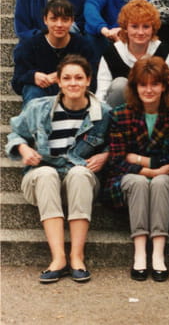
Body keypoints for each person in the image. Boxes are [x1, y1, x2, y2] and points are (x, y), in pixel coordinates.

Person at [6, 55, 111, 284]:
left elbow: (118, 143)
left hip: (80, 183)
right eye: (67, 78)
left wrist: (106, 155)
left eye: (79, 78)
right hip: (42, 181)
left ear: (88, 80)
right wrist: (23, 148)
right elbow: (15, 134)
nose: (73, 83)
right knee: (46, 173)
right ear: (59, 82)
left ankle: (77, 256)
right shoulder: (38, 107)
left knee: (79, 173)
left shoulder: (103, 113)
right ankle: (58, 258)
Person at [101, 56, 169, 282]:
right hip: (125, 181)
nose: (149, 90)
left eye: (155, 84)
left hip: (165, 181)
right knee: (139, 181)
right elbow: (117, 160)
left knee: (162, 182)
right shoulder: (120, 114)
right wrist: (152, 170)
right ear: (135, 87)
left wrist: (140, 159)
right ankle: (140, 252)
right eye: (143, 84)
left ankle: (159, 254)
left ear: (164, 86)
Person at [12, 0, 95, 105]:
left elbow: (93, 80)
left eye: (65, 20)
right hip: (41, 91)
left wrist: (66, 76)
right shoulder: (30, 45)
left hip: (72, 92)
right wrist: (33, 77)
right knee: (32, 90)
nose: (59, 25)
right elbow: (17, 81)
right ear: (45, 20)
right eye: (54, 19)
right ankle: (35, 116)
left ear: (72, 21)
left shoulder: (83, 45)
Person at [96, 0, 169, 108]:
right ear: (125, 28)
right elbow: (101, 94)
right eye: (134, 26)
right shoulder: (111, 53)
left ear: (153, 28)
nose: (140, 32)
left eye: (146, 26)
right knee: (120, 84)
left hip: (155, 109)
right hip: (120, 112)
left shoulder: (165, 52)